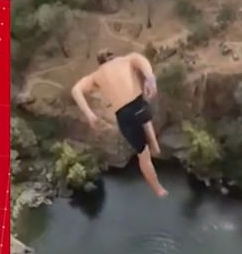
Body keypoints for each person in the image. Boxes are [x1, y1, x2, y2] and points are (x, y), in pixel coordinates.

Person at [70, 49, 168, 198]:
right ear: (114, 56)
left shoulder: (96, 75)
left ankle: (158, 189)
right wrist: (150, 79)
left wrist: (89, 114)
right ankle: (154, 144)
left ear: (100, 63)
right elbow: (142, 61)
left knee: (143, 155)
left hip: (124, 116)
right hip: (139, 106)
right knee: (145, 118)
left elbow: (76, 90)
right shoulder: (127, 59)